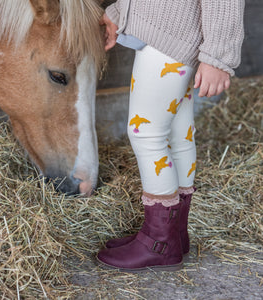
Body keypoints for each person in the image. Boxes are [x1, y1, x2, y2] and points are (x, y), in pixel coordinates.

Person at [97, 0, 245, 271]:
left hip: (171, 39)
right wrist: (120, 12)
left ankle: (159, 242)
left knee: (147, 133)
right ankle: (174, 235)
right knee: (178, 133)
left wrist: (218, 57)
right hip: (172, 35)